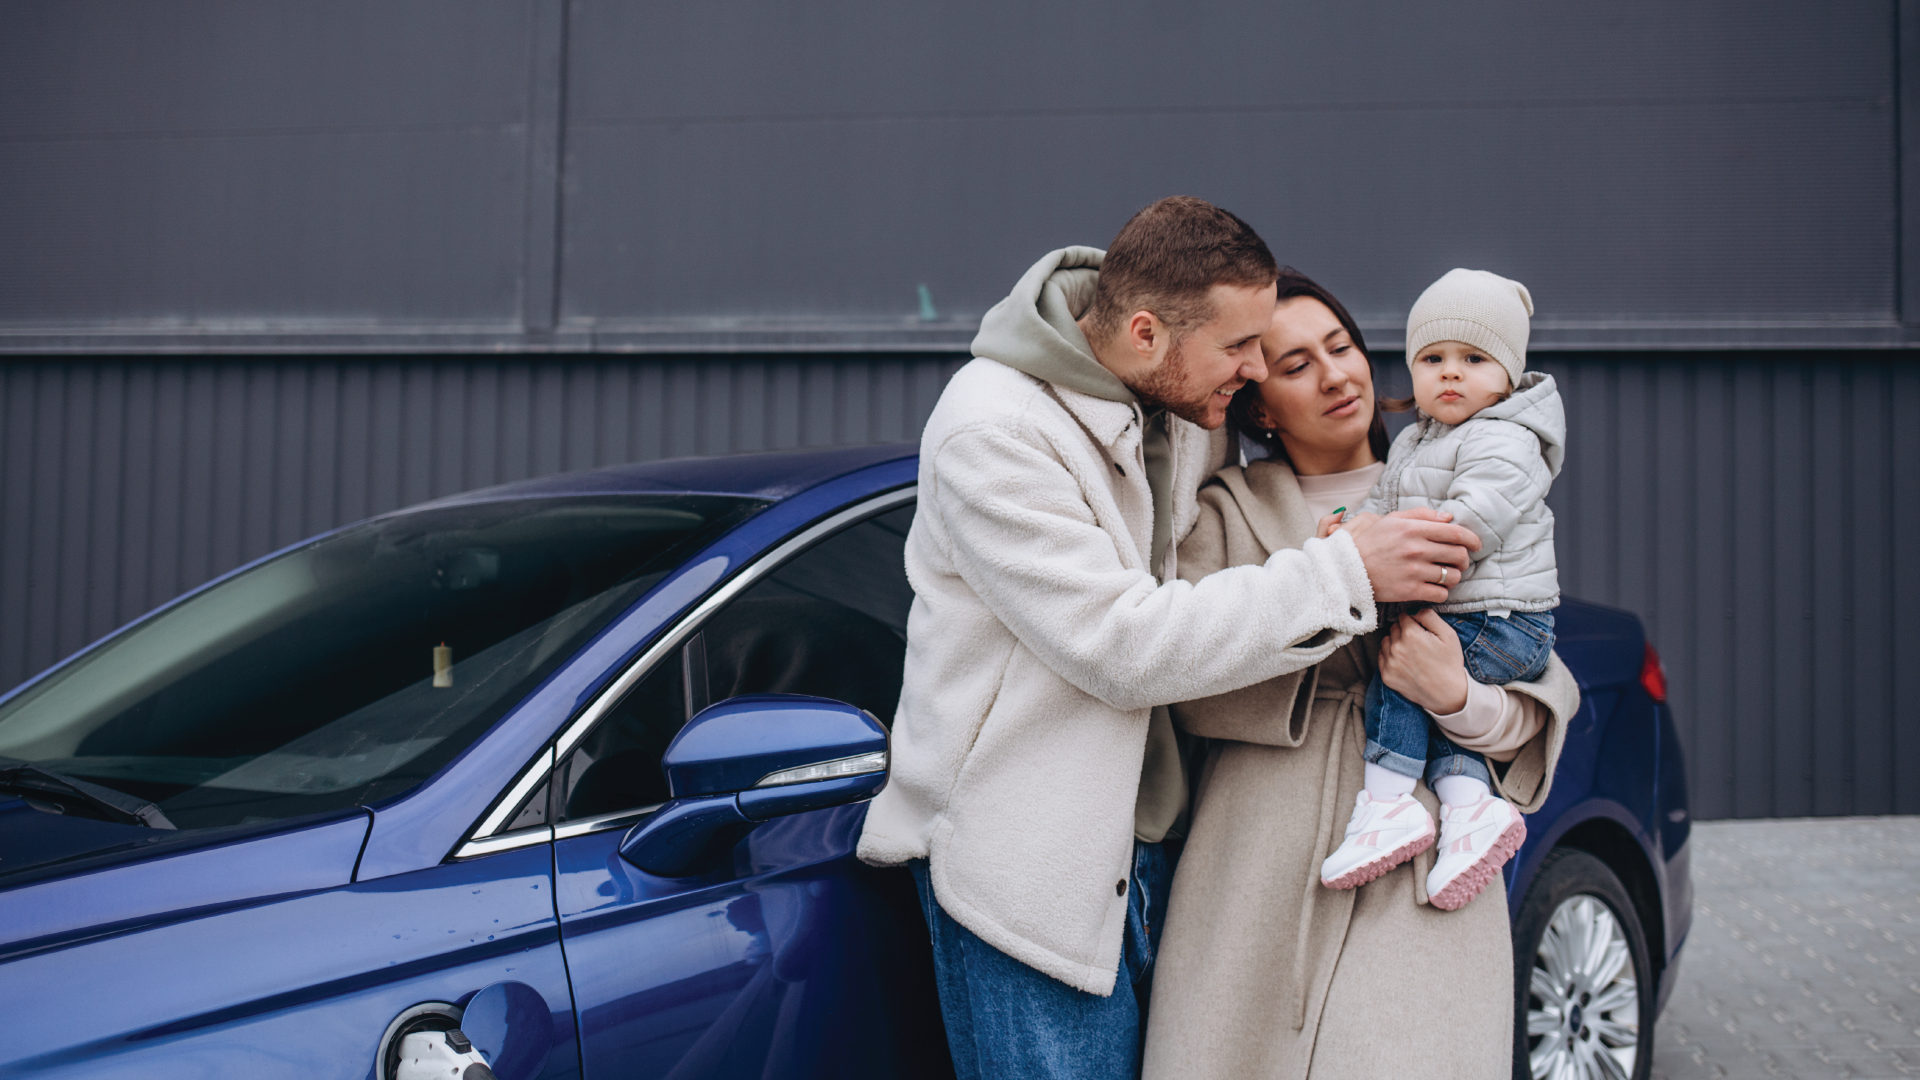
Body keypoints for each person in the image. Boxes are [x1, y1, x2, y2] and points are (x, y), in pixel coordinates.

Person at [855, 199, 1482, 1080]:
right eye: (1242, 349)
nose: (1258, 371)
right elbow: (1119, 644)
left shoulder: (1182, 399)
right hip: (1028, 873)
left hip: (1161, 850)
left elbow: (1217, 577)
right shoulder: (993, 430)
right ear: (1146, 332)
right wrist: (1345, 574)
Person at [1139, 269, 1580, 1079]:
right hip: (1256, 872)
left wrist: (1458, 698)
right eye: (1297, 364)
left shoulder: (1473, 484)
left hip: (1424, 867)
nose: (1337, 375)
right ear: (1259, 403)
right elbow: (1185, 677)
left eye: (1341, 347)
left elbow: (1537, 689)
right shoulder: (1228, 512)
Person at [1317, 268, 1565, 911]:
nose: (1450, 374)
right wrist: (1349, 528)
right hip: (1474, 612)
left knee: (1399, 675)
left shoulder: (1505, 439)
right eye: (1432, 359)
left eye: (1473, 359)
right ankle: (1469, 811)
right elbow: (1382, 503)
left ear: (1508, 375)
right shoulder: (1416, 441)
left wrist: (1385, 539)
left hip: (1503, 619)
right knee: (1430, 700)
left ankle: (1389, 803)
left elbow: (1470, 522)